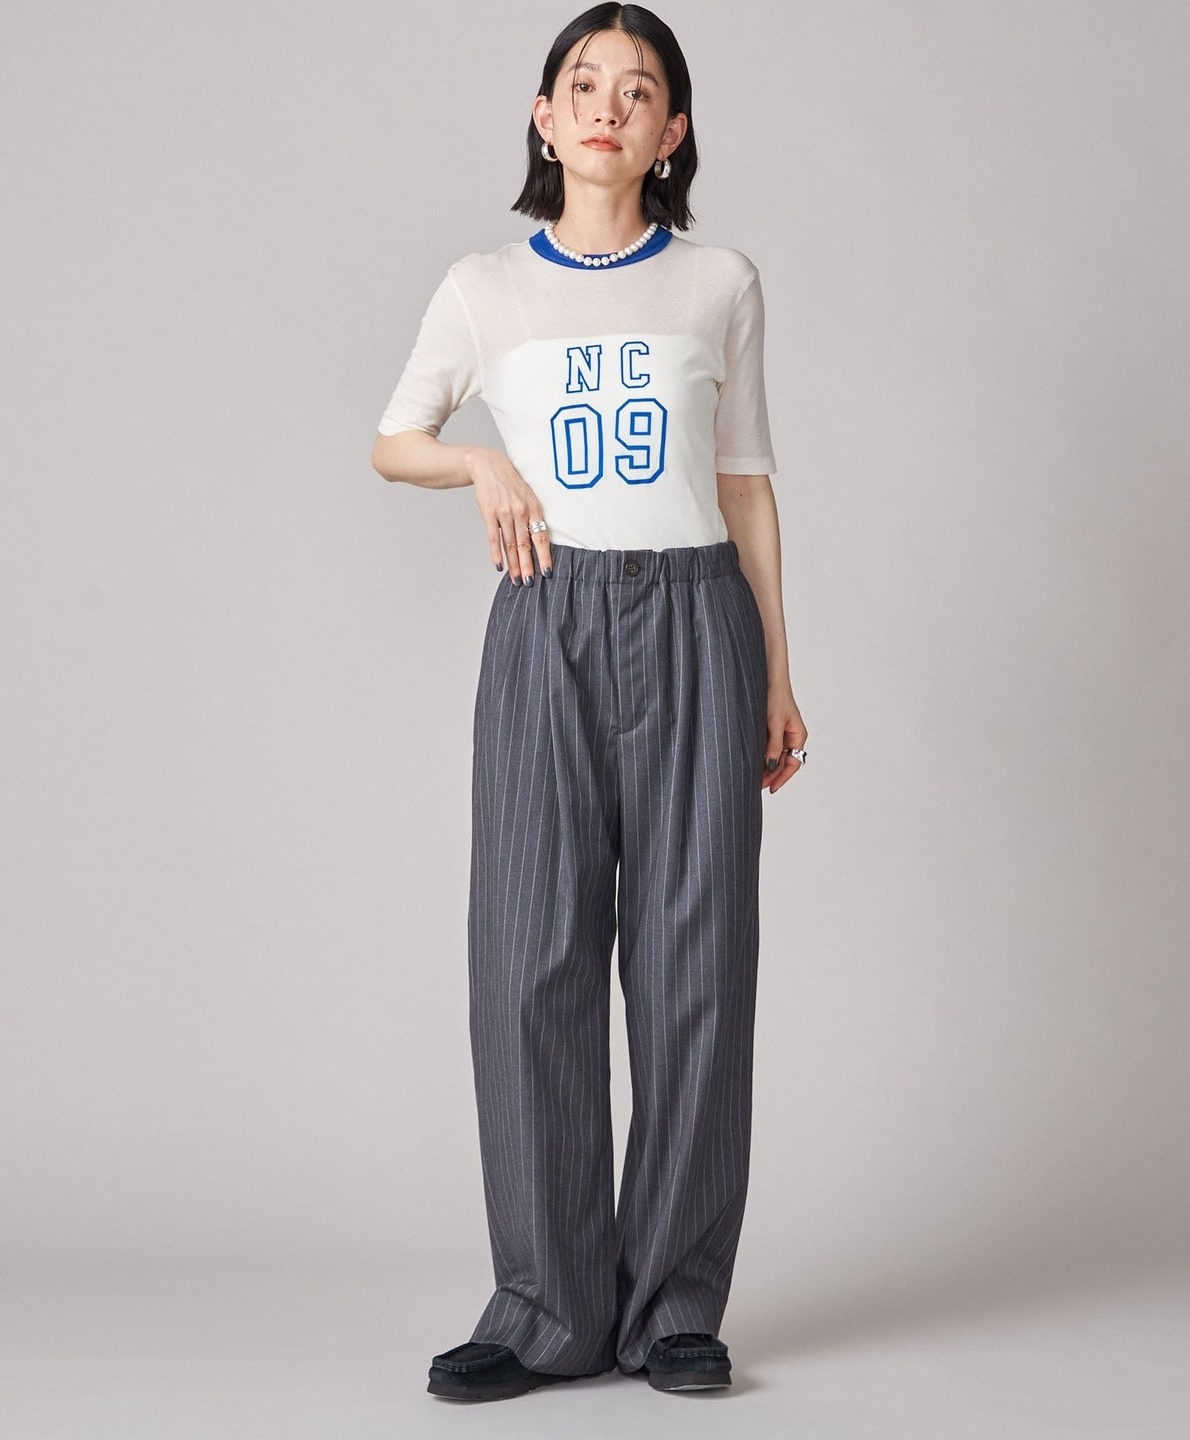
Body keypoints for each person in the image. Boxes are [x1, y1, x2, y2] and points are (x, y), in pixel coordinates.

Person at [370, 2, 807, 1404]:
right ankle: (547, 1307)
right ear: (546, 118)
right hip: (547, 621)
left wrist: (777, 670)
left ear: (672, 131)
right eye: (584, 81)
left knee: (696, 967)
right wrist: (480, 467)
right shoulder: (485, 286)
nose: (609, 105)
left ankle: (675, 1305)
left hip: (696, 620)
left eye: (639, 88)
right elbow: (394, 439)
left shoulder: (720, 281)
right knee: (528, 959)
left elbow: (745, 481)